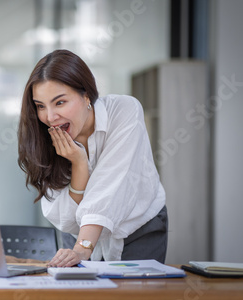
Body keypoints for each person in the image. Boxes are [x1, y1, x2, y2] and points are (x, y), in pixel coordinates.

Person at [17, 49, 167, 267]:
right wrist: (79, 165)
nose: (49, 117)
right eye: (40, 106)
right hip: (76, 237)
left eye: (59, 102)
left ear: (86, 95)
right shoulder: (44, 137)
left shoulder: (124, 111)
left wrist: (82, 248)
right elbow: (63, 218)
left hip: (136, 230)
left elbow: (110, 185)